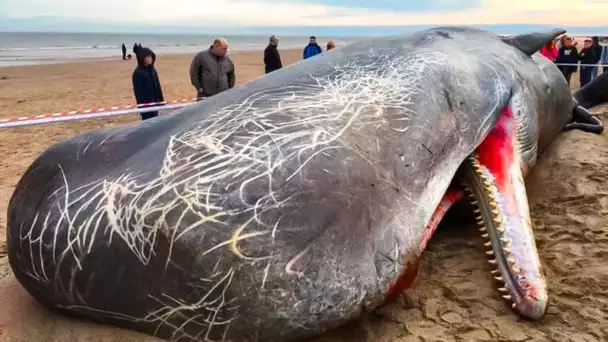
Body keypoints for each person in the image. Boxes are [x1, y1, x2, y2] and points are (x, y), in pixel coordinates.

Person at [132, 47, 164, 121]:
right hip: (146, 105)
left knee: (156, 121)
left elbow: (158, 86)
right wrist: (142, 107)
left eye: (151, 56)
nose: (150, 59)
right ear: (142, 58)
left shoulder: (153, 71)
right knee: (148, 122)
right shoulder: (138, 73)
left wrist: (161, 100)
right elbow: (138, 93)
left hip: (155, 102)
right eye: (148, 57)